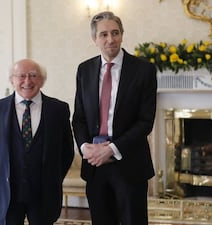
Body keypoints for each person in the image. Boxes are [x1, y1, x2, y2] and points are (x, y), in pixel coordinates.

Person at [72, 11, 157, 225]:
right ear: (95, 39)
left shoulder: (144, 70)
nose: (110, 39)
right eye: (103, 34)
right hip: (94, 165)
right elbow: (79, 117)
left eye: (115, 33)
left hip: (129, 163)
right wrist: (85, 148)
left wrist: (111, 149)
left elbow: (145, 121)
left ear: (122, 34)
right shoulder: (84, 70)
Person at [0, 59, 74, 225]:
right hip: (6, 192)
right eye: (21, 76)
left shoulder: (59, 109)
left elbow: (67, 152)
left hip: (43, 194)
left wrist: (53, 179)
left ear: (42, 80)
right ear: (12, 80)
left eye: (33, 76)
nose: (27, 81)